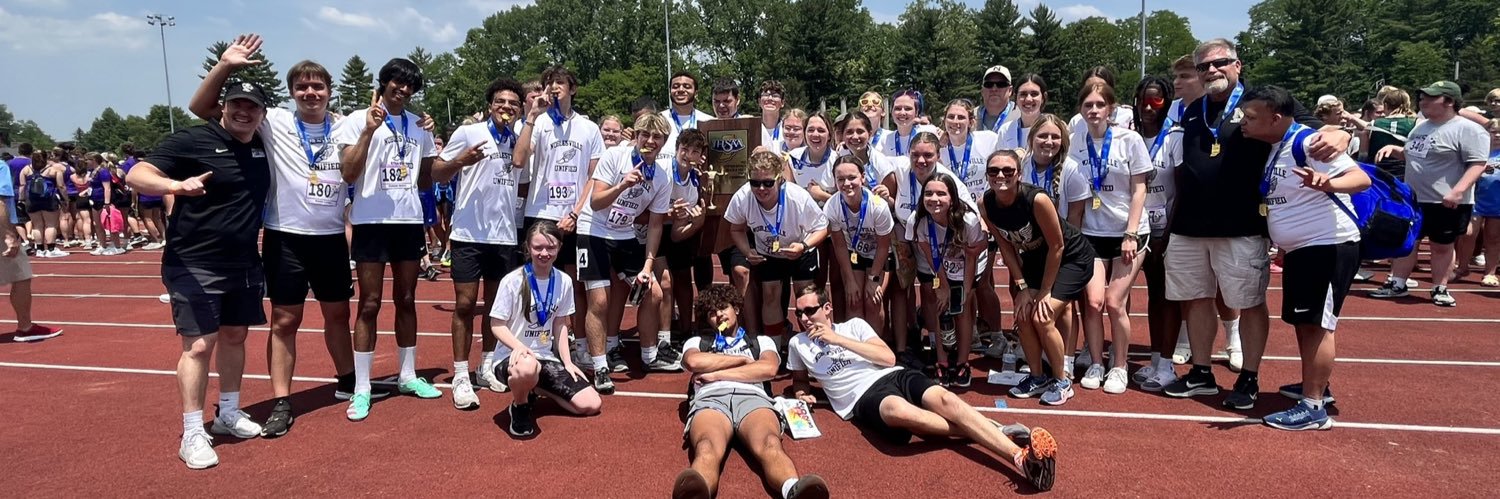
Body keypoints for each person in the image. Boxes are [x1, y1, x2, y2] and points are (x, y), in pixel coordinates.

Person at [189, 34, 389, 436]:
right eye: (302, 86)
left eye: (318, 86)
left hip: (331, 237)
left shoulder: (348, 123)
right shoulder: (274, 121)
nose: (310, 92)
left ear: (329, 92)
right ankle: (282, 400)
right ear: (291, 92)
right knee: (285, 320)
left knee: (337, 314)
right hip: (286, 237)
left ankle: (348, 381)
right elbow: (201, 107)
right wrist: (225, 65)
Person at [1162, 38, 1351, 410]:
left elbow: (1313, 128)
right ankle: (1201, 372)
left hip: (1242, 224)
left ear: (1238, 65)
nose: (1211, 71)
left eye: (1220, 63)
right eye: (1204, 67)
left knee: (1248, 303)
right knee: (1196, 299)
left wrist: (1339, 132)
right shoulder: (1190, 109)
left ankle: (1248, 376)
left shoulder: (1263, 101)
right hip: (1189, 223)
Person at [126, 81, 274, 469]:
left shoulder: (262, 144)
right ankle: (193, 430)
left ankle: (228, 411)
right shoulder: (193, 139)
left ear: (262, 112)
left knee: (235, 336)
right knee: (197, 346)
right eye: (237, 104)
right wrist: (174, 185)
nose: (244, 112)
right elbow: (137, 175)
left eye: (252, 106)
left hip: (243, 261)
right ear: (222, 107)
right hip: (194, 261)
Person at [787, 285, 1057, 492]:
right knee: (899, 412)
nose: (804, 318)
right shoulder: (797, 344)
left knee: (946, 400)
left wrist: (837, 339)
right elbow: (799, 379)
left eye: (810, 311)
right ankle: (997, 433)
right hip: (862, 396)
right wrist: (802, 392)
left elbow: (888, 358)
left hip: (893, 375)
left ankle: (1019, 458)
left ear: (827, 308)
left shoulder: (853, 326)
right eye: (799, 313)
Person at [1239, 85, 1370, 430]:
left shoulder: (1309, 142)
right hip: (1302, 249)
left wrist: (1328, 183)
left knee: (1319, 325)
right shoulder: (1277, 146)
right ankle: (1315, 385)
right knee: (1305, 323)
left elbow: (1361, 179)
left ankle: (1313, 408)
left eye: (1251, 117)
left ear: (1275, 117)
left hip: (1327, 245)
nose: (1243, 123)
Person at [334, 57, 443, 421]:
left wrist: (432, 139)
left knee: (408, 298)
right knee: (369, 303)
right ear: (383, 83)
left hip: (408, 221)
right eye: (397, 83)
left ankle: (408, 375)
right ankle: (362, 386)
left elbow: (426, 180)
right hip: (370, 221)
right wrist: (367, 131)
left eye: (410, 86)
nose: (404, 90)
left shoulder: (417, 124)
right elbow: (349, 172)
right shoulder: (355, 119)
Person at [673, 284, 830, 499]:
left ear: (736, 309)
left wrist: (716, 373)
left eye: (723, 308)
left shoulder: (760, 341)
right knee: (707, 445)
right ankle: (699, 494)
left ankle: (793, 489)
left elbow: (768, 368)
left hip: (753, 399)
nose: (719, 315)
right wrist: (742, 360)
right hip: (711, 399)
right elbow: (693, 361)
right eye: (711, 313)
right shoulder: (698, 341)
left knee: (770, 442)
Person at [434, 76, 530, 409]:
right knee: (464, 304)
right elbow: (436, 172)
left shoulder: (520, 139)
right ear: (490, 105)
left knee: (495, 308)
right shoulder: (469, 132)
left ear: (520, 109)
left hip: (503, 235)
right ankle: (461, 375)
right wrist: (462, 161)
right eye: (500, 102)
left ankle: (487, 365)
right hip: (467, 234)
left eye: (513, 104)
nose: (506, 108)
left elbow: (521, 177)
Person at [511, 65, 606, 391]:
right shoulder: (537, 125)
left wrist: (577, 213)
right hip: (541, 214)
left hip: (576, 218)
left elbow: (595, 175)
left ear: (572, 89)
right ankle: (535, 345)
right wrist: (531, 117)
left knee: (575, 286)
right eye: (548, 84)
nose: (554, 89)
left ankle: (578, 345)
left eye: (560, 84)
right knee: (536, 285)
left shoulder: (588, 128)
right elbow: (519, 160)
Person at [979, 150, 1093, 405]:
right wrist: (1021, 287)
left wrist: (1044, 292)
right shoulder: (986, 204)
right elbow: (1006, 247)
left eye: (1008, 171)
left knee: (1043, 315)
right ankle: (1038, 376)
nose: (1001, 176)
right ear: (987, 175)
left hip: (1071, 258)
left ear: (1019, 174)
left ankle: (1062, 381)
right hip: (1034, 260)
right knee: (1022, 314)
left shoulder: (1036, 200)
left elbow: (1058, 247)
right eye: (994, 171)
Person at [1369, 81, 1490, 307]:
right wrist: (1396, 151)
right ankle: (1397, 283)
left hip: (1446, 201)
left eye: (1430, 97)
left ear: (1449, 101)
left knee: (1441, 245)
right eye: (1422, 97)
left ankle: (1439, 288)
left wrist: (1457, 191)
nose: (1422, 101)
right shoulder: (1421, 126)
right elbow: (1414, 154)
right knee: (1407, 241)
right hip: (1415, 198)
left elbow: (1478, 164)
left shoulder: (1467, 129)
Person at [1067, 83, 1152, 394]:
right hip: (1092, 232)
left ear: (1111, 108)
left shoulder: (1129, 140)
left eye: (1100, 104)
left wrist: (1130, 233)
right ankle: (1096, 362)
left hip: (1128, 233)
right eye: (1088, 104)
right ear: (1080, 109)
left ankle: (1119, 365)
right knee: (1092, 302)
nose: (1093, 110)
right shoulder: (1075, 142)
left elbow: (1140, 188)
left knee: (1116, 302)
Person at [581, 113, 678, 388]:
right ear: (635, 136)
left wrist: (648, 266)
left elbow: (657, 225)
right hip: (594, 230)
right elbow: (596, 202)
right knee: (599, 300)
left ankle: (649, 355)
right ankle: (600, 366)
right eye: (644, 135)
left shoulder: (661, 177)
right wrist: (622, 184)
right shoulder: (615, 157)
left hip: (624, 234)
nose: (649, 141)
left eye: (656, 137)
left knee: (653, 291)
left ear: (663, 142)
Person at [488, 221, 601, 438]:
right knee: (528, 367)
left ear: (559, 247)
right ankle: (520, 407)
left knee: (591, 404)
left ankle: (535, 387)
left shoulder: (564, 281)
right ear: (528, 248)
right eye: (538, 247)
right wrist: (519, 347)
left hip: (545, 357)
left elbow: (560, 324)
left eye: (550, 248)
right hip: (512, 359)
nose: (544, 253)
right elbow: (497, 324)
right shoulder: (512, 281)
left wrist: (568, 362)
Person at [726, 151, 830, 351]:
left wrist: (804, 246)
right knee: (771, 295)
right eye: (755, 183)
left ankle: (815, 346)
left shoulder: (797, 196)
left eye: (767, 183)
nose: (761, 188)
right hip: (769, 253)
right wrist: (747, 251)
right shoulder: (743, 196)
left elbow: (822, 228)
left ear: (780, 180)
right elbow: (736, 228)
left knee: (805, 297)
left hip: (801, 250)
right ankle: (773, 349)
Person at [908, 174, 989, 387]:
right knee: (939, 308)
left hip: (967, 267)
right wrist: (942, 285)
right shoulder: (920, 222)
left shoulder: (968, 221)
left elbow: (972, 255)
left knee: (962, 311)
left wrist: (966, 289)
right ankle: (942, 362)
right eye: (928, 193)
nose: (934, 199)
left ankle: (962, 363)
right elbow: (931, 257)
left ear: (952, 198)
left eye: (941, 194)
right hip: (941, 268)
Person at [1131, 76, 1186, 391]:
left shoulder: (1176, 137)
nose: (1149, 107)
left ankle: (1167, 365)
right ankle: (1154, 359)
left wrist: (1169, 234)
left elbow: (1182, 190)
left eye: (1157, 100)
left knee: (1167, 297)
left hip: (1166, 230)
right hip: (1138, 229)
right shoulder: (1131, 136)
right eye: (1144, 101)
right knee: (1153, 297)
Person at [825, 155, 895, 338]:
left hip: (878, 257)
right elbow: (839, 246)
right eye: (840, 179)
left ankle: (876, 349)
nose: (847, 183)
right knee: (853, 300)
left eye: (852, 178)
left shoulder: (878, 206)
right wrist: (849, 281)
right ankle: (856, 352)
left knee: (872, 301)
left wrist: (873, 279)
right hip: (853, 254)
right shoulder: (832, 207)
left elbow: (883, 246)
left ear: (862, 177)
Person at [18, 151, 68, 257]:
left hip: (32, 200)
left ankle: (40, 249)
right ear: (46, 157)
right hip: (49, 199)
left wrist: (21, 199)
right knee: (51, 224)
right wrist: (65, 199)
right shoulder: (53, 169)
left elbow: (22, 185)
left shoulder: (26, 169)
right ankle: (51, 249)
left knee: (37, 225)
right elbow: (61, 186)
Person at [996, 74, 1048, 151]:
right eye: (1023, 94)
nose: (1028, 99)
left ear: (1043, 97)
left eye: (1034, 94)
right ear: (1016, 98)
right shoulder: (1005, 130)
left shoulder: (1053, 128)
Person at [978, 65, 1018, 134]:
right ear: (982, 91)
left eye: (1001, 84)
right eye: (989, 84)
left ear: (1010, 90)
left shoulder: (1021, 116)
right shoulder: (969, 116)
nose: (994, 89)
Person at [759, 81, 787, 146]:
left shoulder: (788, 129)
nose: (770, 98)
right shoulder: (752, 129)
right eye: (766, 95)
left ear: (782, 102)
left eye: (775, 96)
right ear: (759, 101)